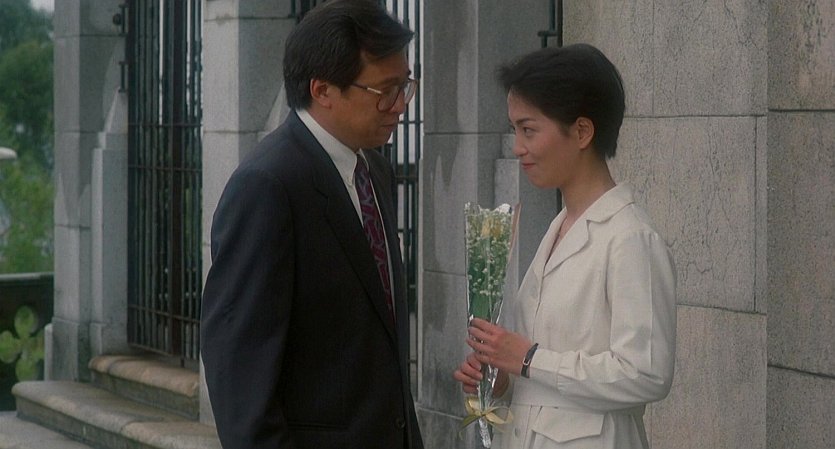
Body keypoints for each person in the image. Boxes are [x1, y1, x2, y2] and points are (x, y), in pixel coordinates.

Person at [200, 1, 423, 448]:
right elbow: (239, 375)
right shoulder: (268, 185)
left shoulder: (374, 172)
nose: (399, 105)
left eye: (405, 86)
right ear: (323, 90)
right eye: (385, 90)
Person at [453, 44, 677, 449]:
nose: (517, 147)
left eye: (528, 130)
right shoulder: (559, 227)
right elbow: (545, 378)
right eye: (514, 130)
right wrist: (502, 379)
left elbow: (646, 373)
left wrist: (527, 358)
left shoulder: (630, 238)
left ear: (582, 132)